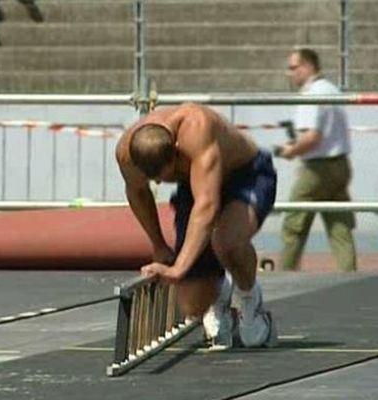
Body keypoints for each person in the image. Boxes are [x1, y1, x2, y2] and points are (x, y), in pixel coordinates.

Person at [115, 102, 278, 348]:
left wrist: (178, 268)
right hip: (196, 186)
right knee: (193, 304)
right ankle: (219, 290)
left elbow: (207, 206)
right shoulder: (127, 154)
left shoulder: (197, 128)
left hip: (246, 175)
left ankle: (249, 300)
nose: (160, 181)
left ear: (177, 152)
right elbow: (138, 194)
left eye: (165, 174)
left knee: (226, 241)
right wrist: (159, 245)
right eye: (154, 179)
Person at [275, 48, 357, 272]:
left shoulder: (311, 93)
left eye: (293, 68)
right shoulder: (332, 89)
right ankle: (348, 277)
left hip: (317, 170)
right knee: (340, 228)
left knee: (293, 226)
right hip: (341, 165)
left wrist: (290, 151)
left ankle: (284, 277)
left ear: (308, 66)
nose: (289, 73)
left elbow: (312, 137)